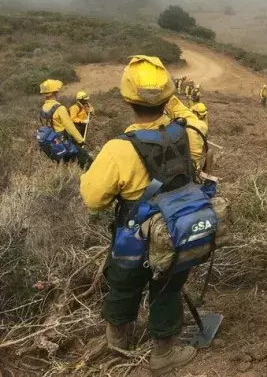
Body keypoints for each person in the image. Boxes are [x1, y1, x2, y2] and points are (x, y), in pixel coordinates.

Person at [80, 56, 207, 376]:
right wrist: (174, 102)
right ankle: (163, 354)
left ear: (127, 99)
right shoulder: (188, 134)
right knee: (167, 288)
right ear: (168, 98)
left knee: (123, 284)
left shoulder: (118, 150)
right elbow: (197, 122)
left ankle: (117, 341)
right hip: (173, 230)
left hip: (133, 236)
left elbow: (93, 200)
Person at [39, 79, 93, 169]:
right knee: (87, 160)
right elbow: (70, 127)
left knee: (64, 164)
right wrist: (81, 140)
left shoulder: (43, 107)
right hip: (62, 141)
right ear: (55, 93)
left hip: (52, 143)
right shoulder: (60, 108)